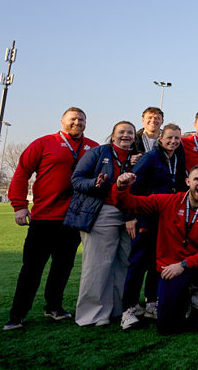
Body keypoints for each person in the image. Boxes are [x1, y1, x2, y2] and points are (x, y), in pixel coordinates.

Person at [4, 108, 97, 331]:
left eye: (81, 119)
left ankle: (54, 307)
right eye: (72, 119)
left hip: (73, 219)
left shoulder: (93, 147)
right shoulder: (44, 143)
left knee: (63, 267)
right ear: (62, 121)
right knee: (32, 268)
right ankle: (17, 315)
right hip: (44, 217)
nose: (77, 122)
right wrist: (19, 206)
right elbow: (22, 173)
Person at [113, 165, 198, 335]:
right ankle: (186, 298)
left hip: (197, 264)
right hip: (171, 265)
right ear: (188, 182)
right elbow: (130, 204)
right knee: (166, 327)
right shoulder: (169, 201)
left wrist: (184, 264)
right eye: (197, 179)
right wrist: (121, 188)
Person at [65, 121, 137, 326]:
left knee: (123, 263)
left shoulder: (136, 157)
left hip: (129, 214)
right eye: (121, 132)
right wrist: (94, 183)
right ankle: (92, 314)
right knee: (98, 264)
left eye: (130, 133)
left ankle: (116, 310)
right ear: (113, 135)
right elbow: (77, 180)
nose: (125, 135)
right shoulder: (98, 152)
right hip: (102, 211)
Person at [121, 123, 188, 329]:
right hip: (146, 217)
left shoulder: (177, 158)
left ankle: (151, 303)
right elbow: (132, 186)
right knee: (138, 262)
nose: (173, 141)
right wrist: (130, 216)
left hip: (165, 219)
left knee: (156, 262)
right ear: (161, 138)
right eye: (169, 137)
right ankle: (128, 309)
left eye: (177, 138)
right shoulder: (150, 158)